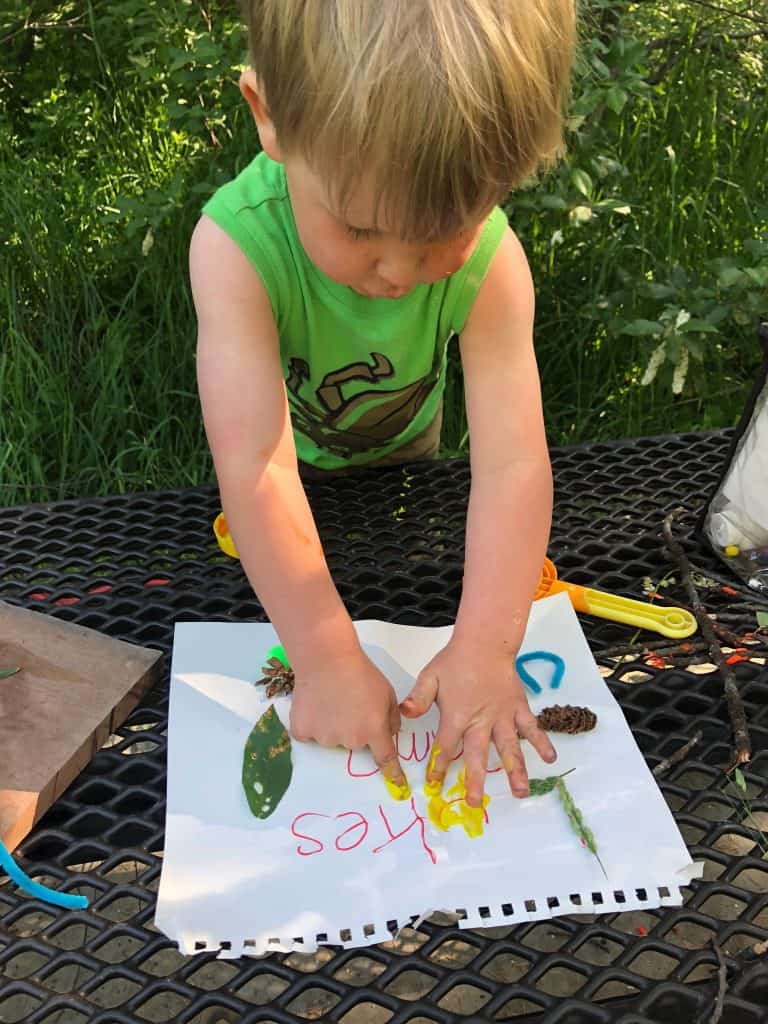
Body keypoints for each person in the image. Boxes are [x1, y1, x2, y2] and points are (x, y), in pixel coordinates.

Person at [191, 0, 577, 809]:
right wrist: (327, 658)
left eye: (445, 234)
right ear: (271, 119)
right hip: (285, 474)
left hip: (408, 468)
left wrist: (484, 646)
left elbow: (512, 466)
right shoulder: (234, 249)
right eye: (361, 230)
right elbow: (258, 464)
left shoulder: (495, 265)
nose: (399, 273)